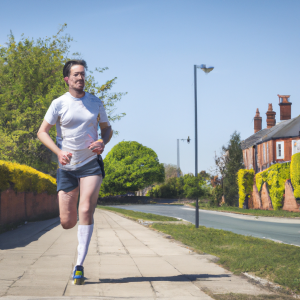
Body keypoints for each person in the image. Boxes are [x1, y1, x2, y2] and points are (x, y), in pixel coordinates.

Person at [37, 60, 112, 285]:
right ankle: (77, 230)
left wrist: (102, 141)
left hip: (90, 163)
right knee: (67, 221)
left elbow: (107, 129)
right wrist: (59, 153)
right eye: (76, 75)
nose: (80, 78)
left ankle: (79, 265)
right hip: (67, 167)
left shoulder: (95, 102)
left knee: (86, 209)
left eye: (82, 74)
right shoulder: (59, 104)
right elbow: (42, 132)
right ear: (67, 79)